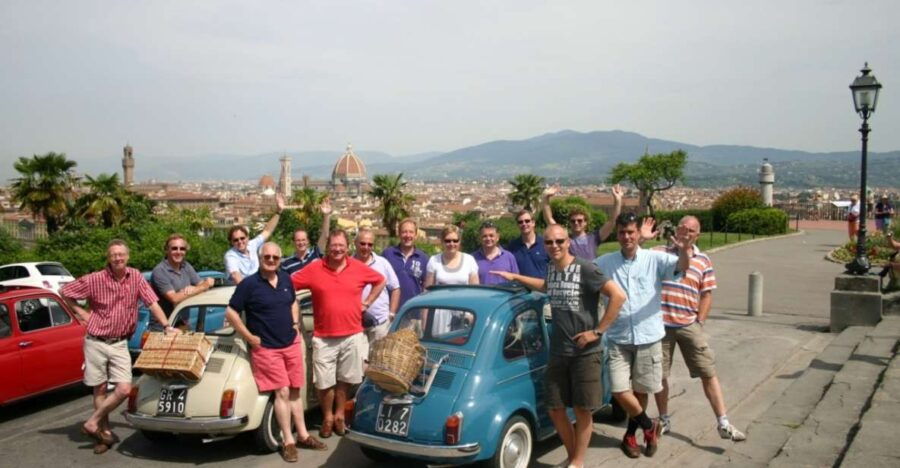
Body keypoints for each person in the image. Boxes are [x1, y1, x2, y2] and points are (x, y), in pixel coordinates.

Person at [491, 225, 626, 468]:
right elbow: (546, 286)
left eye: (559, 241)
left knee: (582, 410)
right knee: (555, 408)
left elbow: (618, 296)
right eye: (549, 242)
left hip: (585, 353)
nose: (554, 246)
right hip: (558, 351)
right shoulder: (552, 268)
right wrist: (516, 277)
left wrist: (597, 332)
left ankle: (577, 462)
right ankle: (574, 457)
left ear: (568, 242)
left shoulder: (586, 268)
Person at [60, 239, 176, 455]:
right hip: (96, 341)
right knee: (100, 388)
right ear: (108, 257)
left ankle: (92, 421)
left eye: (121, 254)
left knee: (124, 389)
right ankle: (103, 434)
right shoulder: (95, 279)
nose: (118, 258)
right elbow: (64, 291)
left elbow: (152, 303)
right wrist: (81, 312)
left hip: (120, 342)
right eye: (113, 255)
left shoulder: (136, 277)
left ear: (127, 256)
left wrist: (167, 326)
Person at [594, 213, 691, 459]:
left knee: (641, 389)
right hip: (618, 338)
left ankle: (630, 436)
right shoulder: (605, 262)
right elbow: (581, 276)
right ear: (617, 235)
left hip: (648, 336)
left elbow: (681, 268)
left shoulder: (654, 258)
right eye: (622, 232)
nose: (626, 237)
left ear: (638, 233)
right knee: (618, 389)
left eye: (631, 232)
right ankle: (649, 426)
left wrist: (684, 251)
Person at [225, 242, 326, 462]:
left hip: (290, 343)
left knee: (295, 390)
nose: (271, 260)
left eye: (275, 257)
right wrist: (249, 337)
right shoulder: (249, 284)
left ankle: (303, 435)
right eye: (267, 257)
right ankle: (288, 441)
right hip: (267, 349)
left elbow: (293, 302)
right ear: (260, 258)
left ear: (280, 260)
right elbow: (231, 313)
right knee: (282, 392)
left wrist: (295, 323)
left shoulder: (286, 279)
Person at [651, 216, 746, 442]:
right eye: (682, 227)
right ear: (677, 229)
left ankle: (723, 422)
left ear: (697, 235)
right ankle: (664, 418)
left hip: (688, 324)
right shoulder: (660, 253)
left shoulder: (703, 260)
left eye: (691, 230)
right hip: (661, 325)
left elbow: (706, 294)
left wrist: (699, 321)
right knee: (660, 375)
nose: (685, 232)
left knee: (707, 371)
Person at [291, 230, 386, 439]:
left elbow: (380, 280)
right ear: (327, 247)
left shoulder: (358, 267)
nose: (337, 249)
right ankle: (327, 417)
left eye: (341, 245)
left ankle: (340, 416)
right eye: (333, 245)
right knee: (323, 382)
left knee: (345, 379)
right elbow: (288, 285)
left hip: (352, 335)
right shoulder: (315, 268)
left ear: (347, 247)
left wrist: (366, 303)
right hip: (324, 337)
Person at [148, 234, 215, 331]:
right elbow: (174, 298)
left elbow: (201, 284)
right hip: (163, 328)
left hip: (182, 324)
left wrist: (194, 288)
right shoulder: (160, 271)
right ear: (167, 250)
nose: (178, 252)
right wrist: (202, 286)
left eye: (182, 249)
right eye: (174, 248)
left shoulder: (186, 266)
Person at [542, 184, 623, 260]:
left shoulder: (594, 238)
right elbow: (549, 219)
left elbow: (612, 222)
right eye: (573, 221)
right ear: (569, 222)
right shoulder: (566, 239)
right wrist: (545, 198)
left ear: (585, 222)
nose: (576, 223)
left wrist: (618, 201)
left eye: (580, 220)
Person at [353, 228, 400, 345]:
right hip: (355, 325)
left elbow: (395, 288)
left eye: (370, 244)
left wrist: (391, 314)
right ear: (355, 243)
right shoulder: (348, 263)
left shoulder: (382, 263)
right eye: (362, 243)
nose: (366, 247)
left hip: (380, 324)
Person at [225, 193, 285, 284]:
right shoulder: (230, 256)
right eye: (236, 240)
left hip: (258, 284)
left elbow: (267, 231)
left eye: (242, 238)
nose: (240, 241)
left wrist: (278, 211)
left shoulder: (252, 245)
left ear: (247, 238)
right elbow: (235, 275)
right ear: (231, 242)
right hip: (243, 288)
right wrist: (247, 290)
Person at [382, 218, 429, 308]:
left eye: (411, 232)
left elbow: (426, 288)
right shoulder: (388, 254)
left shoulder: (423, 258)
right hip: (389, 310)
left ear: (416, 235)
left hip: (413, 311)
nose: (408, 235)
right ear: (399, 234)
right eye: (404, 232)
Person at [281, 198, 332, 275]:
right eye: (298, 240)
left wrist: (326, 215)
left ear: (308, 241)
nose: (301, 243)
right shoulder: (286, 264)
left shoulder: (315, 254)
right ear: (293, 242)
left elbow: (325, 236)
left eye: (303, 240)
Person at [472, 221, 519, 285]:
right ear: (480, 238)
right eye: (484, 236)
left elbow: (516, 281)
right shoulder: (472, 258)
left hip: (504, 292)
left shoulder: (509, 257)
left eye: (491, 235)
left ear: (497, 237)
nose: (488, 238)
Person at [507, 209, 550, 279]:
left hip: (542, 285)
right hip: (519, 285)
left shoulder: (545, 243)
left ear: (533, 223)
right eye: (520, 222)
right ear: (518, 225)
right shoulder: (512, 246)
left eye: (527, 221)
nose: (524, 224)